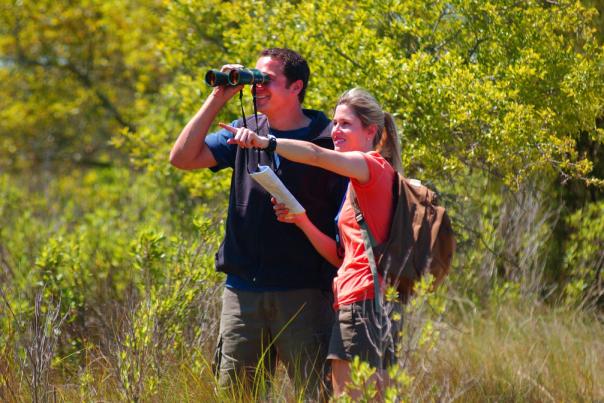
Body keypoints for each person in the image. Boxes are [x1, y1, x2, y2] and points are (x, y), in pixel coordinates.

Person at [169, 48, 347, 398]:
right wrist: (219, 96)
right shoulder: (243, 130)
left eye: (266, 81)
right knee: (237, 395)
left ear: (296, 87)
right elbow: (182, 157)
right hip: (243, 292)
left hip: (304, 292)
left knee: (315, 394)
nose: (257, 88)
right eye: (255, 79)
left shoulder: (326, 139)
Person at [221, 88, 404, 399]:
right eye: (334, 123)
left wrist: (266, 142)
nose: (335, 131)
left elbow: (317, 156)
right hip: (363, 300)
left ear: (371, 130)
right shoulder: (364, 180)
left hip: (363, 302)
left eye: (346, 124)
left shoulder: (369, 166)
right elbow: (338, 255)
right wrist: (301, 219)